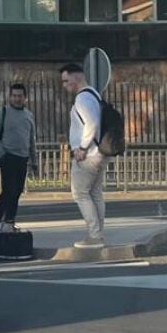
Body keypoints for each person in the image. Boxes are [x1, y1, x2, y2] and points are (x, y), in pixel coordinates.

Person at [60, 62, 107, 249]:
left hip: (88, 155)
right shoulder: (94, 94)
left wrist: (82, 147)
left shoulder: (82, 98)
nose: (65, 85)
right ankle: (98, 234)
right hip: (100, 153)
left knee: (80, 193)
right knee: (95, 193)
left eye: (66, 80)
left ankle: (94, 236)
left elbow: (92, 123)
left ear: (76, 76)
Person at [0, 83, 36, 233]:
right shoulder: (3, 112)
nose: (17, 99)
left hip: (22, 158)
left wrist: (33, 161)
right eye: (14, 96)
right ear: (10, 97)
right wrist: (2, 153)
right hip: (8, 157)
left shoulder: (28, 115)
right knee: (8, 190)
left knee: (17, 191)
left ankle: (9, 221)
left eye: (20, 96)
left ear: (25, 98)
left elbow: (31, 140)